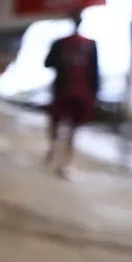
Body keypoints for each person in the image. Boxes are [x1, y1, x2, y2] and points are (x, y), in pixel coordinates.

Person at [43, 10, 100, 177]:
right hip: (69, 91)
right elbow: (48, 62)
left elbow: (95, 71)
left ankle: (62, 160)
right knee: (62, 127)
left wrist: (94, 94)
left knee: (68, 129)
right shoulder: (62, 44)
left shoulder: (88, 44)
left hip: (76, 93)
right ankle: (58, 154)